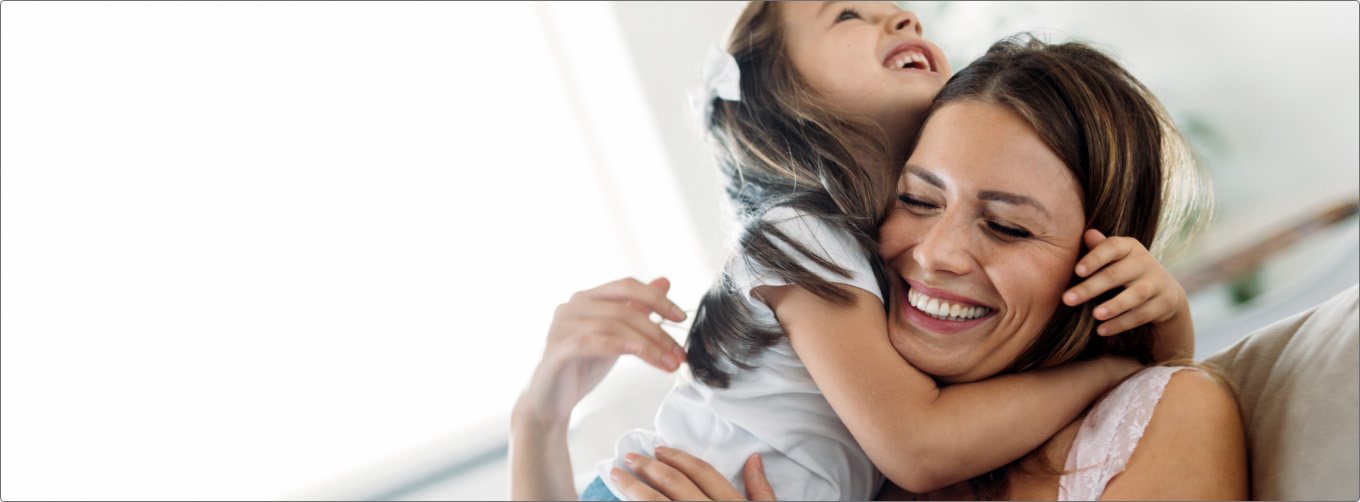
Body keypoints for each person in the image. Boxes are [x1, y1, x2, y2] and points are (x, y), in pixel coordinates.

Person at [510, 2, 1200, 500]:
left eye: (1008, 226)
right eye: (847, 15)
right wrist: (1109, 368)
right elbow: (918, 447)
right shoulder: (799, 238)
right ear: (782, 99)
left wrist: (1160, 324)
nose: (903, 18)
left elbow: (1166, 383)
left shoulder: (868, 266)